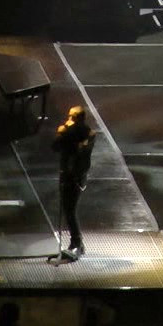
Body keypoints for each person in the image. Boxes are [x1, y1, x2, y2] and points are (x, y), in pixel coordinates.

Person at [52, 105, 96, 258]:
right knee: (69, 209)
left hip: (73, 176)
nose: (69, 119)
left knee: (69, 210)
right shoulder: (85, 132)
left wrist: (62, 131)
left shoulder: (75, 133)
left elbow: (56, 146)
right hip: (74, 175)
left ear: (76, 118)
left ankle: (77, 243)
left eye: (71, 116)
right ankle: (76, 243)